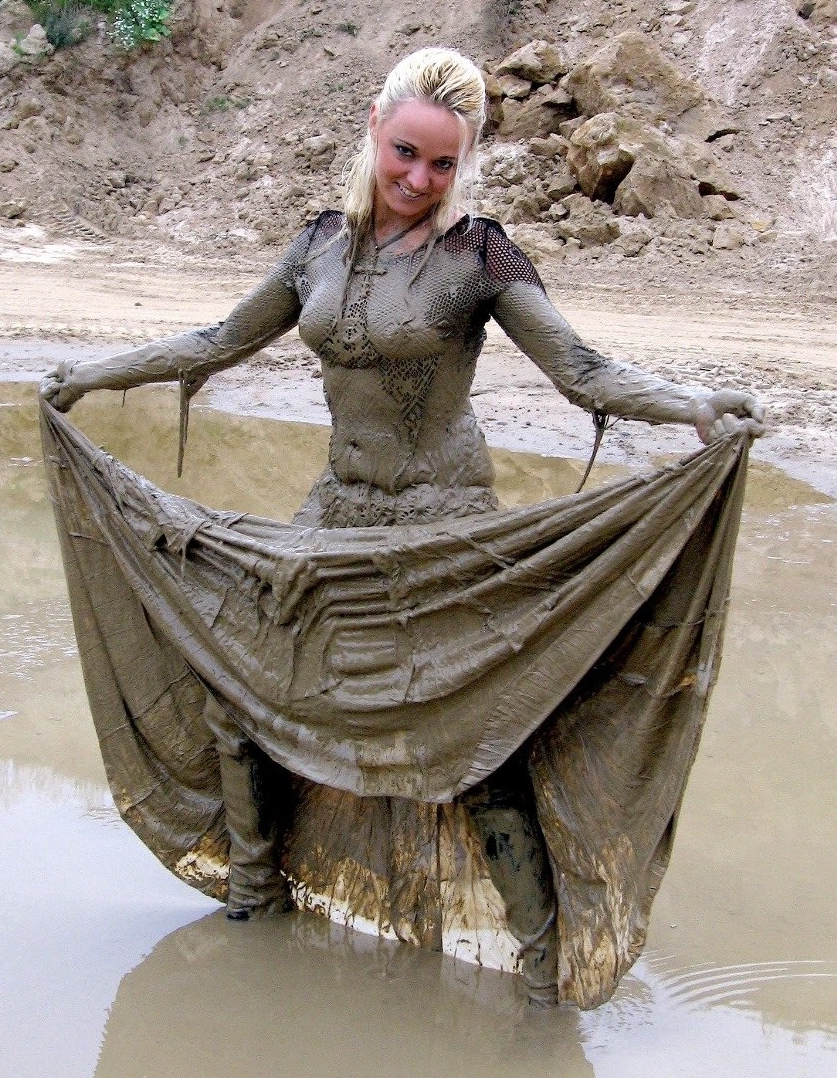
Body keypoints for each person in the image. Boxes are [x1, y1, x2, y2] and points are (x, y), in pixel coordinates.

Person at [40, 46, 765, 1006]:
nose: (418, 180)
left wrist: (692, 408)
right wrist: (92, 375)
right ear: (374, 127)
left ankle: (545, 965)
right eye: (404, 154)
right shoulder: (314, 247)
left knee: (466, 744)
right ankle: (256, 905)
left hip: (443, 523)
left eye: (442, 164)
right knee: (240, 697)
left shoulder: (483, 256)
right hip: (336, 511)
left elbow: (581, 373)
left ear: (464, 163)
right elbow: (217, 342)